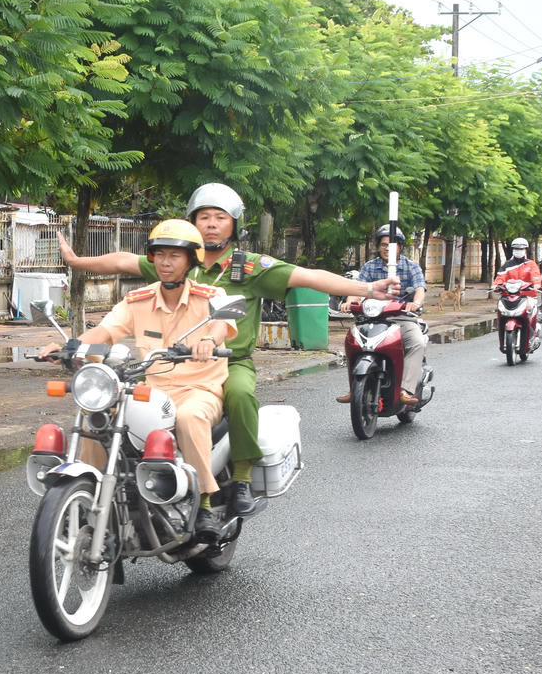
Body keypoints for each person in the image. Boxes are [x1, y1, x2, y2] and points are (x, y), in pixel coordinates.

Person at [55, 182, 400, 517]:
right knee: (116, 403)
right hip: (168, 364)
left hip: (229, 360)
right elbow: (122, 262)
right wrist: (76, 261)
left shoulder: (249, 267)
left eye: (220, 217)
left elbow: (308, 277)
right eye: (203, 217)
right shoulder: (176, 259)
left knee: (240, 395)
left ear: (234, 224)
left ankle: (242, 479)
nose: (211, 224)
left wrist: (369, 289)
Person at [39, 219, 236, 543]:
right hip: (154, 390)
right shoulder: (138, 300)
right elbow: (105, 332)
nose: (165, 262)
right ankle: (91, 493)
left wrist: (208, 341)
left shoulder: (211, 296)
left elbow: (221, 323)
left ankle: (203, 503)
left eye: (174, 255)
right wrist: (69, 346)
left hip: (199, 389)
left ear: (191, 260)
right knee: (97, 418)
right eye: (160, 255)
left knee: (189, 417)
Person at [336, 224, 427, 406]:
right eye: (384, 244)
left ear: (400, 247)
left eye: (392, 245)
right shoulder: (369, 267)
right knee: (352, 341)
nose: (387, 249)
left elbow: (420, 289)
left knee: (417, 342)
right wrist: (349, 302)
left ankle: (406, 389)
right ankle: (354, 387)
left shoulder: (411, 266)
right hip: (372, 318)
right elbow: (357, 289)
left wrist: (415, 303)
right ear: (378, 247)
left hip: (402, 317)